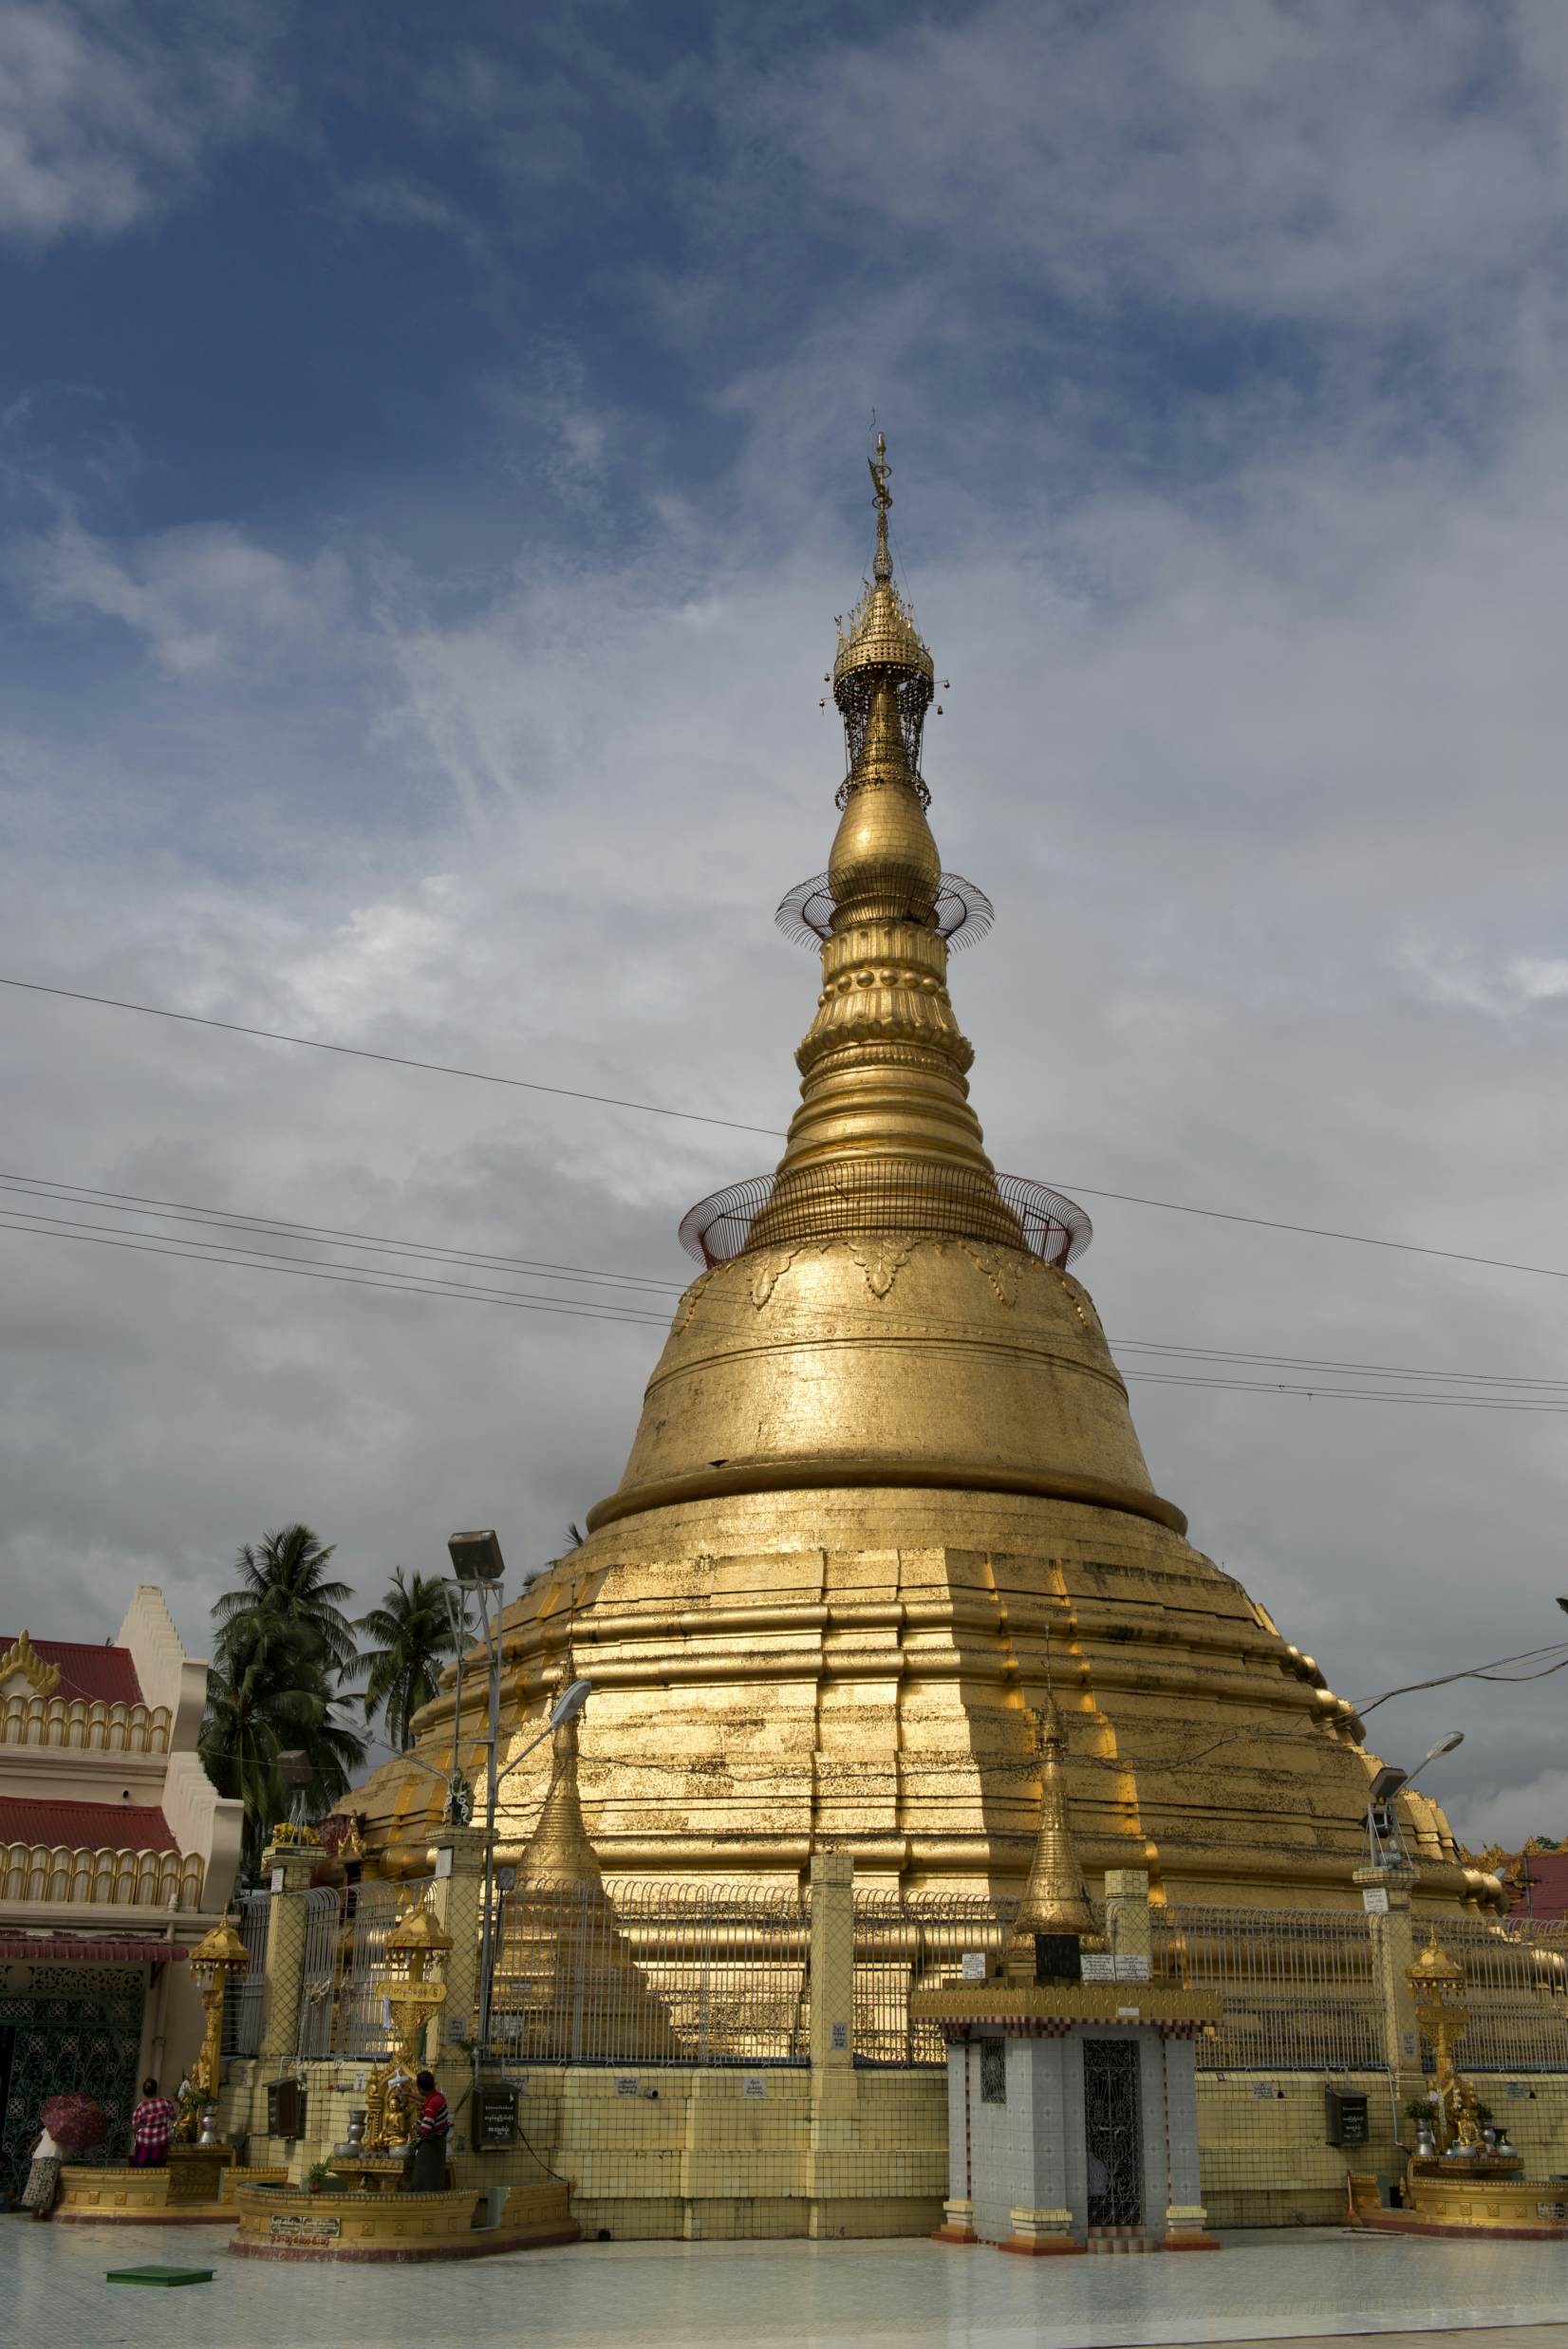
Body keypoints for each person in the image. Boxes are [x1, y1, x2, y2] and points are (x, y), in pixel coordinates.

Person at [406, 2069, 449, 2192]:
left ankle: (423, 2201)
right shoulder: (437, 2097)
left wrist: (414, 2125)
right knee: (434, 2176)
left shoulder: (432, 2106)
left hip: (431, 2146)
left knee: (423, 2177)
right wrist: (407, 2094)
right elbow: (423, 2099)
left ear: (421, 2089)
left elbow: (425, 2131)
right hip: (438, 2145)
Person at [130, 2079, 177, 2168]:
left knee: (142, 2170)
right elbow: (173, 2116)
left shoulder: (141, 2106)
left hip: (144, 2143)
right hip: (161, 2144)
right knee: (158, 2169)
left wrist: (135, 2137)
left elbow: (135, 2125)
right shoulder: (165, 2102)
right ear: (156, 2089)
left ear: (144, 2092)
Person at [20, 2126, 63, 2220]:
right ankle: (37, 2215)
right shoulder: (68, 2132)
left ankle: (37, 2213)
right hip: (52, 2157)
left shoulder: (53, 2124)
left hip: (39, 2156)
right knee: (44, 2187)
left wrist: (31, 2147)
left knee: (36, 2185)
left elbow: (39, 2136)